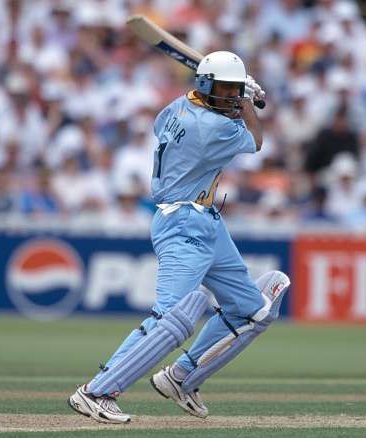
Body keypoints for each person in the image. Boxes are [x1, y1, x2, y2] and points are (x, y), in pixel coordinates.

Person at [67, 51, 290, 423]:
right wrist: (250, 100)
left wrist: (235, 93)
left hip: (206, 220)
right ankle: (96, 391)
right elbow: (257, 139)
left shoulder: (174, 108)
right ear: (205, 86)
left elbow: (164, 126)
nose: (231, 97)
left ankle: (181, 377)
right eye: (225, 90)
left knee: (254, 310)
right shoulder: (212, 129)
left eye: (234, 90)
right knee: (172, 315)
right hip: (183, 222)